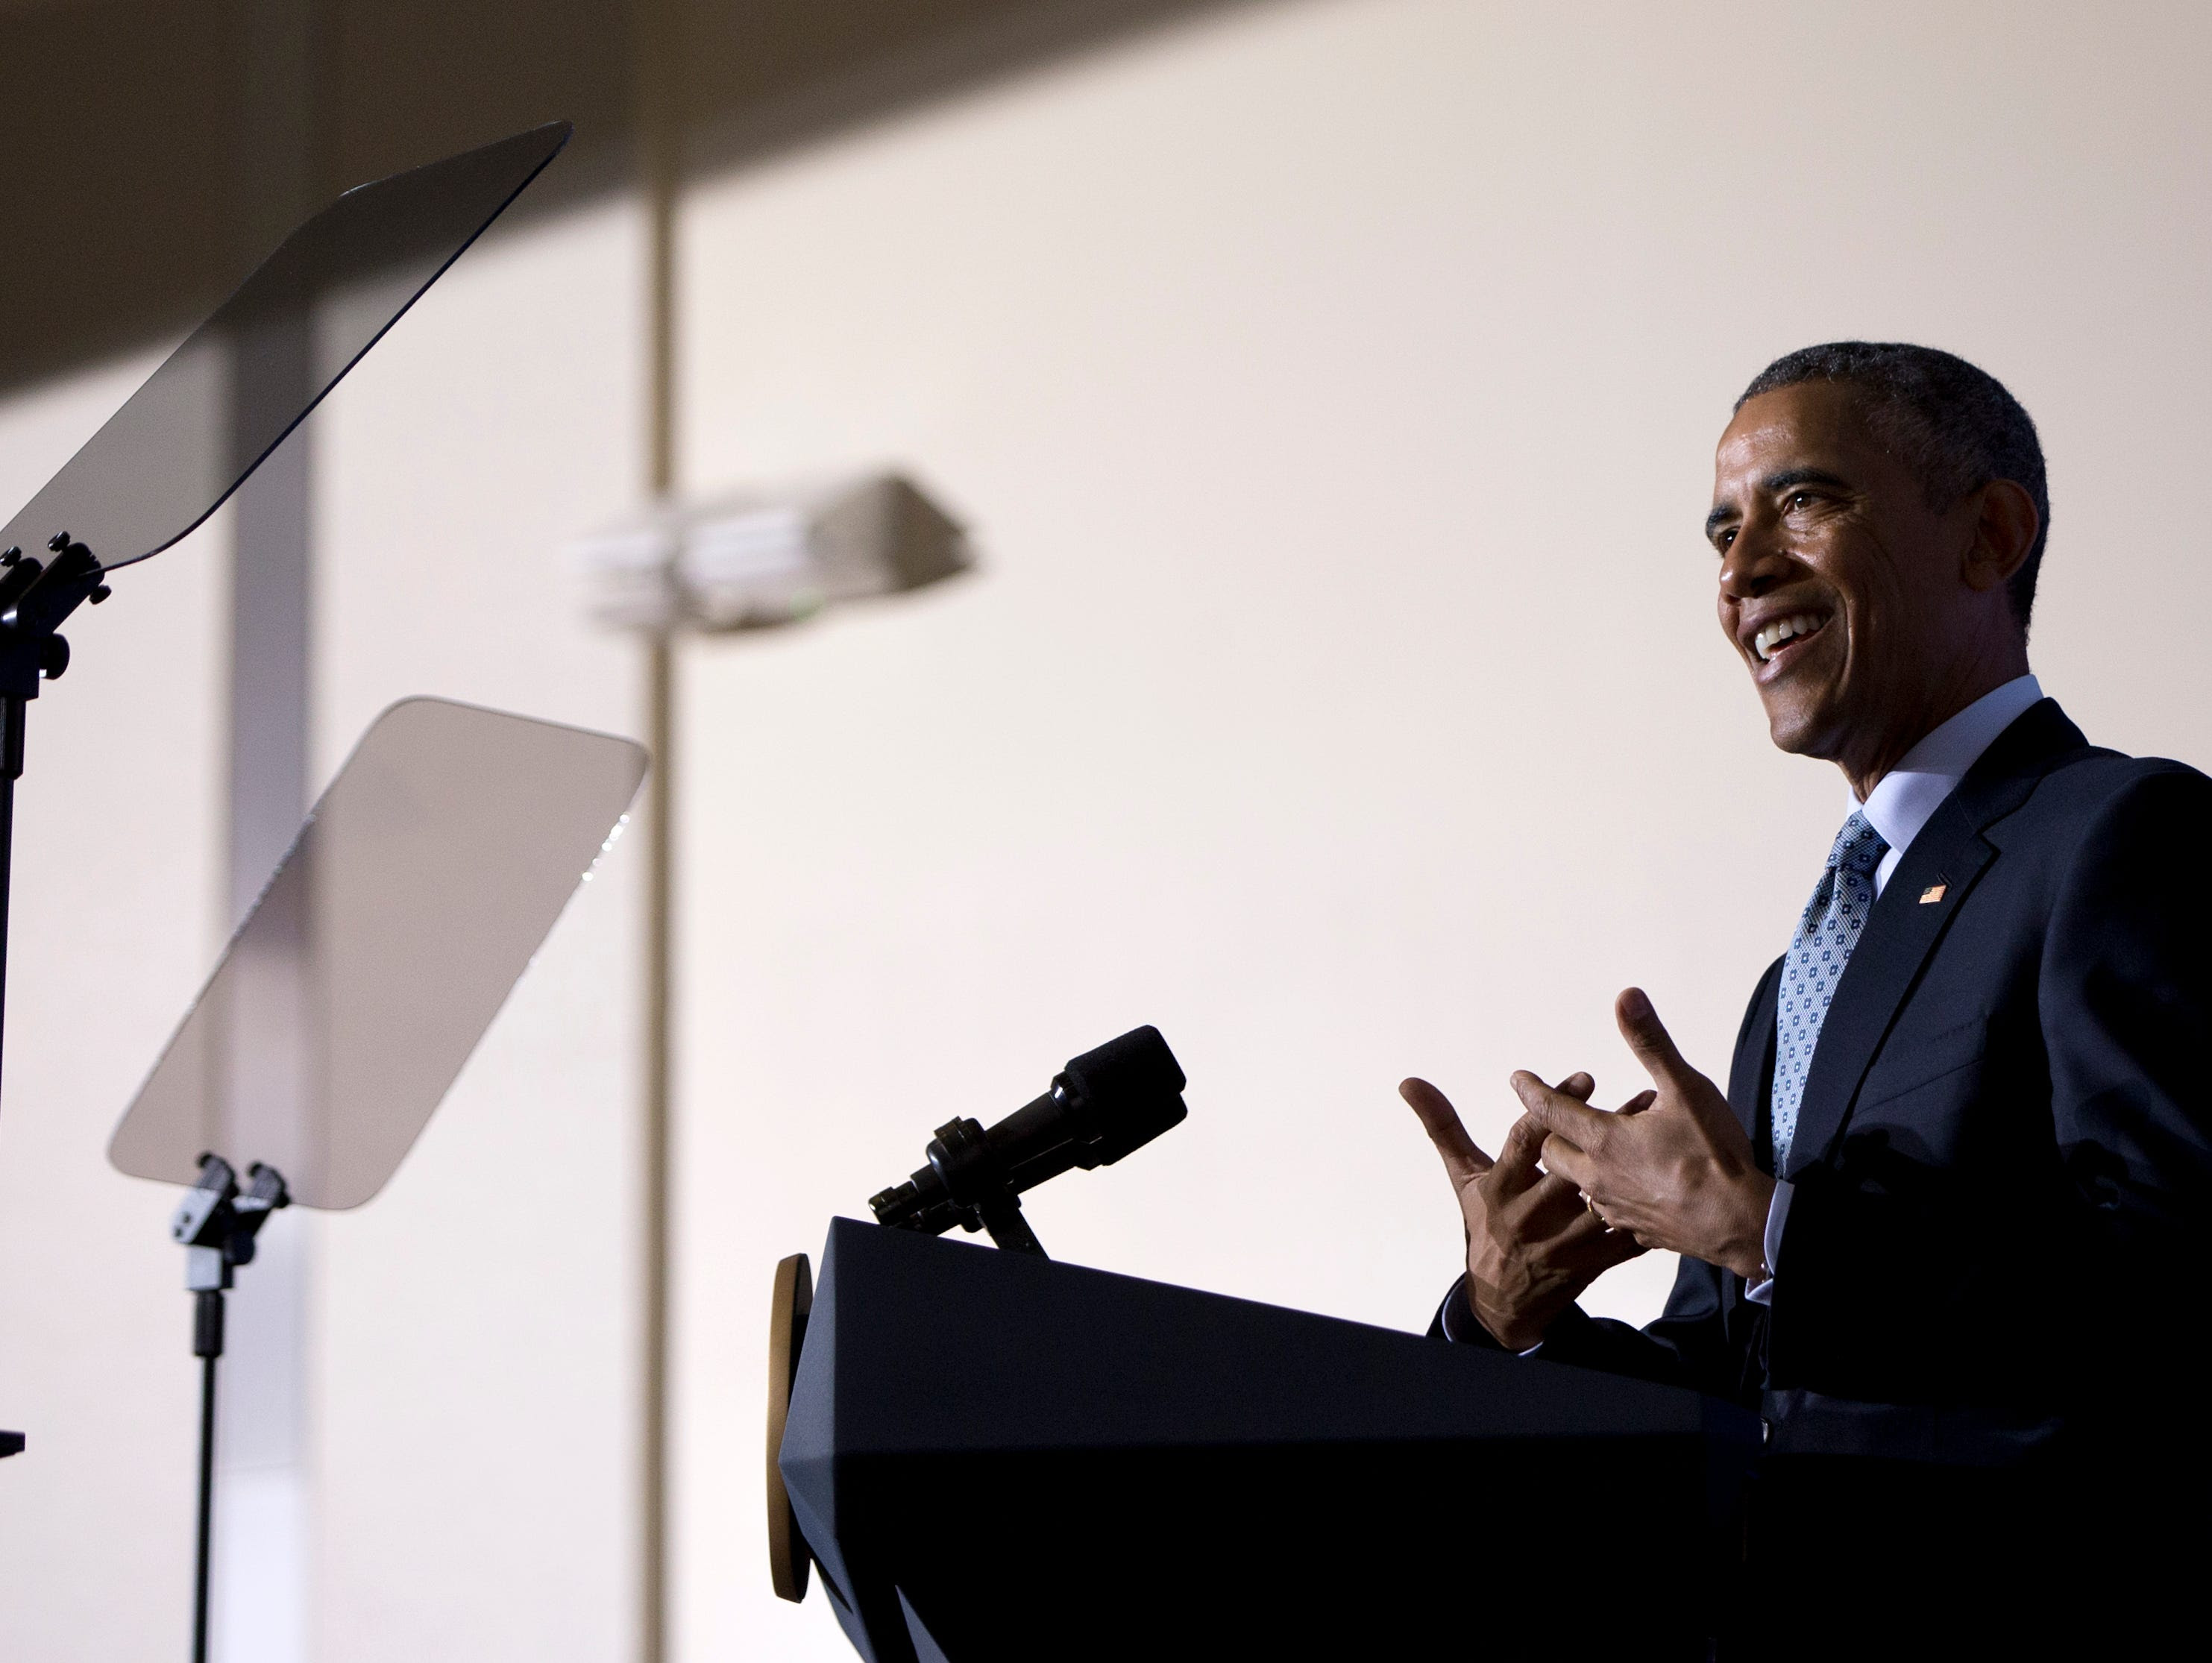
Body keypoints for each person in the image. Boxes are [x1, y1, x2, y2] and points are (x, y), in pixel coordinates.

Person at [1404, 342, 2212, 1647]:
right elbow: (1741, 1379)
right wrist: (1508, 1316)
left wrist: (1774, 1231)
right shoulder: (1800, 975)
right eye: (1721, 531)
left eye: (1802, 502)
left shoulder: (2125, 834)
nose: (1737, 573)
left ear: (1988, 534)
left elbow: (2174, 1290)